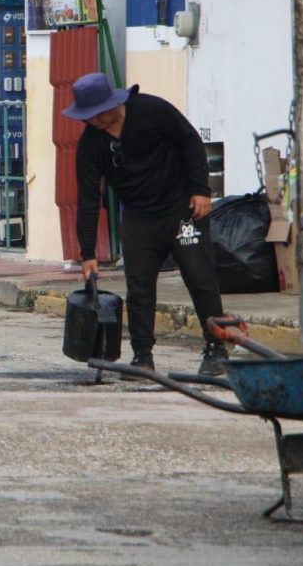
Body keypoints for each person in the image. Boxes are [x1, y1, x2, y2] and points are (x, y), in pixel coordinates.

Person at [62, 72, 229, 377]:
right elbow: (88, 198)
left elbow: (190, 142)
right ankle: (142, 355)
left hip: (182, 208)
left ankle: (217, 347)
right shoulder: (91, 144)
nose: (91, 122)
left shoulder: (152, 111)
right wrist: (87, 253)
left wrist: (201, 190)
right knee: (139, 286)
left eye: (95, 115)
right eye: (86, 117)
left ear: (111, 105)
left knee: (200, 277)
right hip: (139, 215)